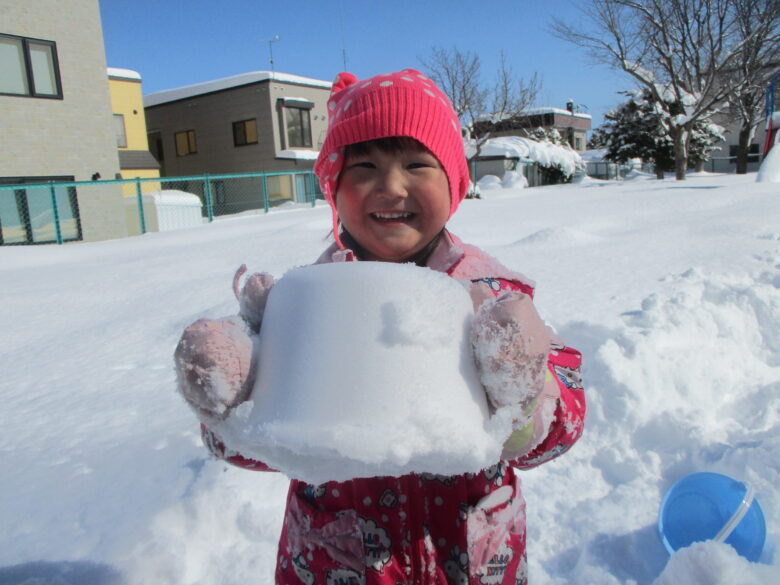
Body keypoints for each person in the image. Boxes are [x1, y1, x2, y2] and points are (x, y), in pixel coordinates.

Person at [174, 68, 585, 585]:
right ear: (334, 186)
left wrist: (523, 397)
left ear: (455, 182)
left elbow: (563, 422)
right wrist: (231, 405)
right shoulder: (305, 302)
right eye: (364, 166)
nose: (391, 187)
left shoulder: (493, 298)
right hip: (340, 559)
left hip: (471, 556)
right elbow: (260, 448)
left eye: (417, 164)